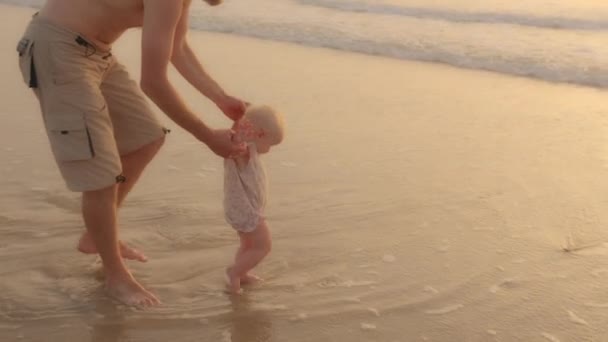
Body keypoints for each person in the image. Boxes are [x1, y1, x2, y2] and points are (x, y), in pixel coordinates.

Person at [16, 0, 246, 307]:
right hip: (58, 49)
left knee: (144, 138)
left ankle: (94, 235)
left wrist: (220, 97)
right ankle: (116, 276)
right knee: (100, 174)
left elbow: (177, 48)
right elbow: (153, 82)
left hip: (95, 53)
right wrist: (207, 137)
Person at [223, 105, 285, 294]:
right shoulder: (244, 151)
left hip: (241, 209)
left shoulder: (251, 152)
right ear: (259, 135)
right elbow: (236, 143)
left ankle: (241, 272)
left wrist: (240, 123)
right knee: (263, 245)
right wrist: (240, 131)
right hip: (246, 211)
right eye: (270, 144)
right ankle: (235, 273)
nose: (269, 150)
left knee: (248, 245)